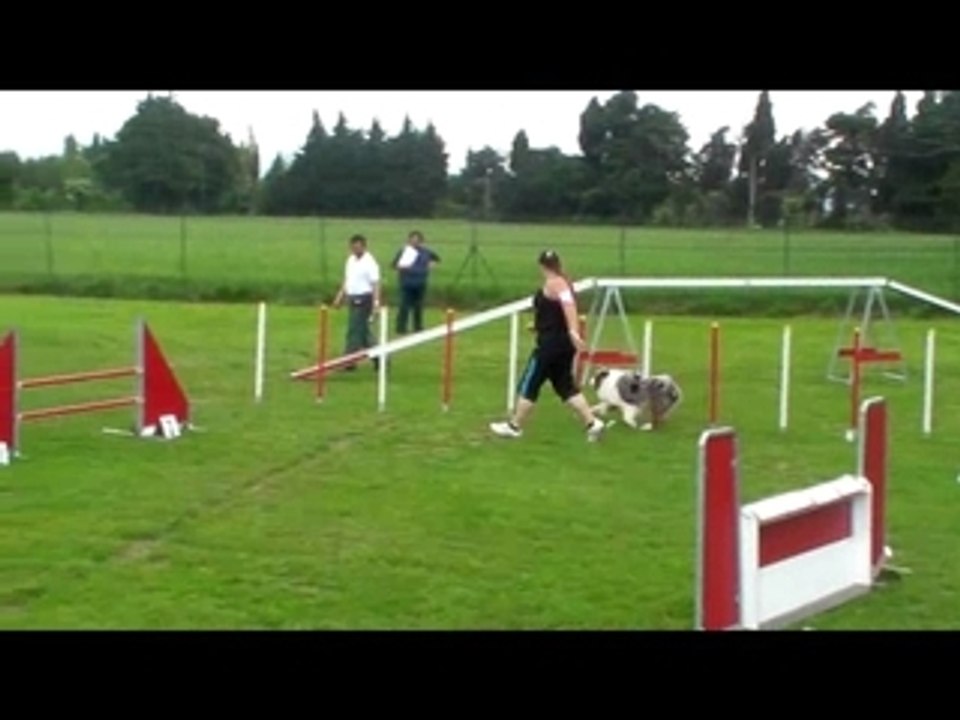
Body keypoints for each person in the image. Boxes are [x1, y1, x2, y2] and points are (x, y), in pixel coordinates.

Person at [489, 250, 606, 442]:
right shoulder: (563, 282)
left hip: (551, 345)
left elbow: (569, 308)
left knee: (530, 382)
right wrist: (539, 326)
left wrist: (573, 331)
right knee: (565, 386)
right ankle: (592, 423)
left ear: (542, 266)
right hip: (561, 344)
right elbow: (556, 313)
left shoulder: (555, 284)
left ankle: (514, 426)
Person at [332, 233, 382, 371]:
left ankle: (348, 362)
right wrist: (340, 296)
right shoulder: (350, 260)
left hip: (364, 299)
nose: (355, 250)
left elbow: (376, 284)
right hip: (352, 299)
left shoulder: (370, 263)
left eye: (358, 247)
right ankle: (380, 358)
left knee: (354, 332)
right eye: (353, 247)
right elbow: (347, 280)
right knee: (363, 333)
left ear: (364, 247)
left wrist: (376, 303)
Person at [391, 230, 440, 335]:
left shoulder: (426, 252)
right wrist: (400, 267)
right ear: (409, 241)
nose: (414, 242)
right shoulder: (403, 252)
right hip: (406, 283)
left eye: (417, 240)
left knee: (418, 306)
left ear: (421, 241)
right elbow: (394, 265)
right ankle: (401, 327)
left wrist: (432, 263)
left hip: (420, 283)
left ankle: (418, 327)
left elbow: (436, 258)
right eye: (412, 240)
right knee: (404, 305)